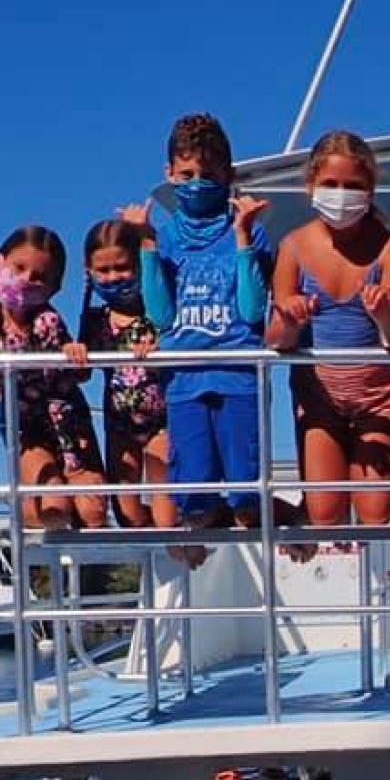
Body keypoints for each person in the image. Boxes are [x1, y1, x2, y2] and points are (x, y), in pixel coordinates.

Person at [127, 112, 280, 533]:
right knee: (196, 502)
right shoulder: (168, 235)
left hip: (238, 376)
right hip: (186, 380)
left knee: (248, 500)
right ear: (170, 174)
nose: (198, 182)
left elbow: (252, 311)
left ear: (227, 175)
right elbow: (161, 315)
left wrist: (245, 237)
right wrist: (146, 244)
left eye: (208, 174)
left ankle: (294, 530)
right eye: (187, 173)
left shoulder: (251, 233)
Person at [268, 130, 390, 544]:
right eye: (331, 185)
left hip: (376, 395)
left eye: (353, 186)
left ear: (370, 189)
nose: (341, 195)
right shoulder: (293, 246)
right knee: (325, 514)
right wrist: (292, 319)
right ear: (310, 185)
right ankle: (298, 523)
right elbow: (276, 337)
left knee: (374, 514)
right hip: (318, 396)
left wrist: (383, 316)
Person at [0, 226, 106, 530]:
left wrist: (74, 353)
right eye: (19, 268)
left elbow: (78, 375)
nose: (26, 281)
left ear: (54, 287)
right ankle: (31, 514)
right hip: (25, 423)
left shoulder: (47, 321)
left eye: (38, 277)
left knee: (93, 514)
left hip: (66, 422)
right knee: (52, 504)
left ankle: (79, 514)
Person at [65, 219, 175, 532]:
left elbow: (179, 341)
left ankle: (182, 542)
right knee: (127, 514)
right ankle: (160, 556)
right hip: (120, 426)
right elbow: (83, 375)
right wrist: (76, 355)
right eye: (104, 270)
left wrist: (161, 347)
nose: (114, 277)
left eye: (122, 267)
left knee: (166, 514)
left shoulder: (157, 312)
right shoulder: (95, 318)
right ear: (89, 271)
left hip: (161, 424)